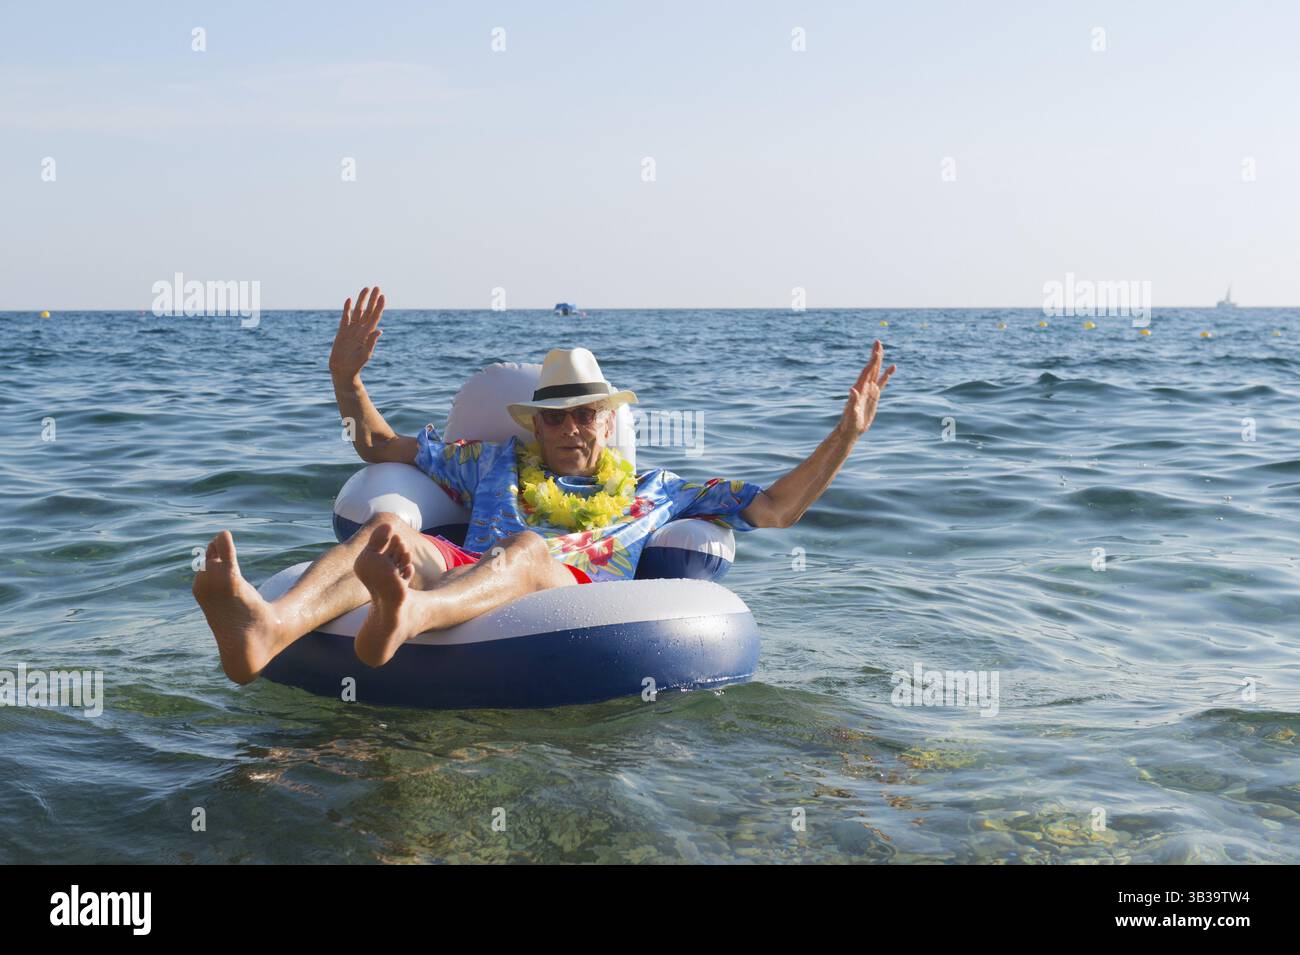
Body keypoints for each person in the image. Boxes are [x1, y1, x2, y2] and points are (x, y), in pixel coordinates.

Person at [193, 286, 896, 683]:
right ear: (537, 424)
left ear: (605, 421)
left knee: (530, 547)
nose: (570, 428)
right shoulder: (491, 460)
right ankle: (267, 627)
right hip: (471, 565)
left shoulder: (658, 489)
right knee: (388, 531)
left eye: (584, 414)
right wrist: (346, 380)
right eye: (555, 417)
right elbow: (380, 444)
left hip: (572, 593)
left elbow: (775, 508)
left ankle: (405, 614)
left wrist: (846, 435)